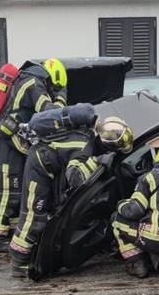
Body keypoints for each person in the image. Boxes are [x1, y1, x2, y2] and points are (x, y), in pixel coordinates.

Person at [0, 58, 68, 251]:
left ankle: (13, 232)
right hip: (5, 143)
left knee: (16, 192)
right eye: (54, 87)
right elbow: (47, 111)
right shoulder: (34, 83)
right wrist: (61, 98)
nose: (53, 91)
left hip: (11, 142)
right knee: (6, 192)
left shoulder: (29, 79)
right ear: (51, 79)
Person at [8, 102, 100, 276]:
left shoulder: (86, 134)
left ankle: (29, 255)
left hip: (48, 166)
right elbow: (74, 175)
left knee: (42, 213)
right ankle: (18, 262)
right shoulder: (86, 144)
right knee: (34, 215)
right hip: (39, 166)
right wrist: (95, 164)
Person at [112, 138, 159, 279]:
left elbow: (135, 210)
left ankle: (136, 263)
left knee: (117, 220)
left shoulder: (149, 178)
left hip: (152, 238)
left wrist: (121, 205)